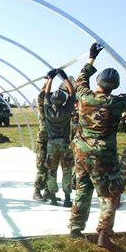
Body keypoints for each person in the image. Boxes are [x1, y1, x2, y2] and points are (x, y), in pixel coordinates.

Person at [68, 43, 126, 249]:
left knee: (82, 190)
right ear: (114, 86)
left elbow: (82, 76)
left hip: (81, 153)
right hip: (103, 156)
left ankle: (75, 228)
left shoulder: (84, 96)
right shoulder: (115, 103)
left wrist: (92, 57)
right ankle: (103, 234)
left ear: (98, 81)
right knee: (109, 194)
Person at [43, 68, 76, 207]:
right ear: (63, 101)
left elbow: (46, 94)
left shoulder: (47, 110)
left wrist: (50, 78)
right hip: (65, 143)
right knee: (67, 170)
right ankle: (67, 198)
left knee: (52, 170)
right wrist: (64, 78)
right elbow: (72, 93)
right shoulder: (66, 110)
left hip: (51, 143)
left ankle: (52, 198)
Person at [32, 80, 51, 202]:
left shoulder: (54, 111)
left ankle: (48, 191)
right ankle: (37, 191)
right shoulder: (43, 110)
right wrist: (48, 81)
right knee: (41, 167)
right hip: (42, 141)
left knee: (51, 167)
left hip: (53, 141)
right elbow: (41, 96)